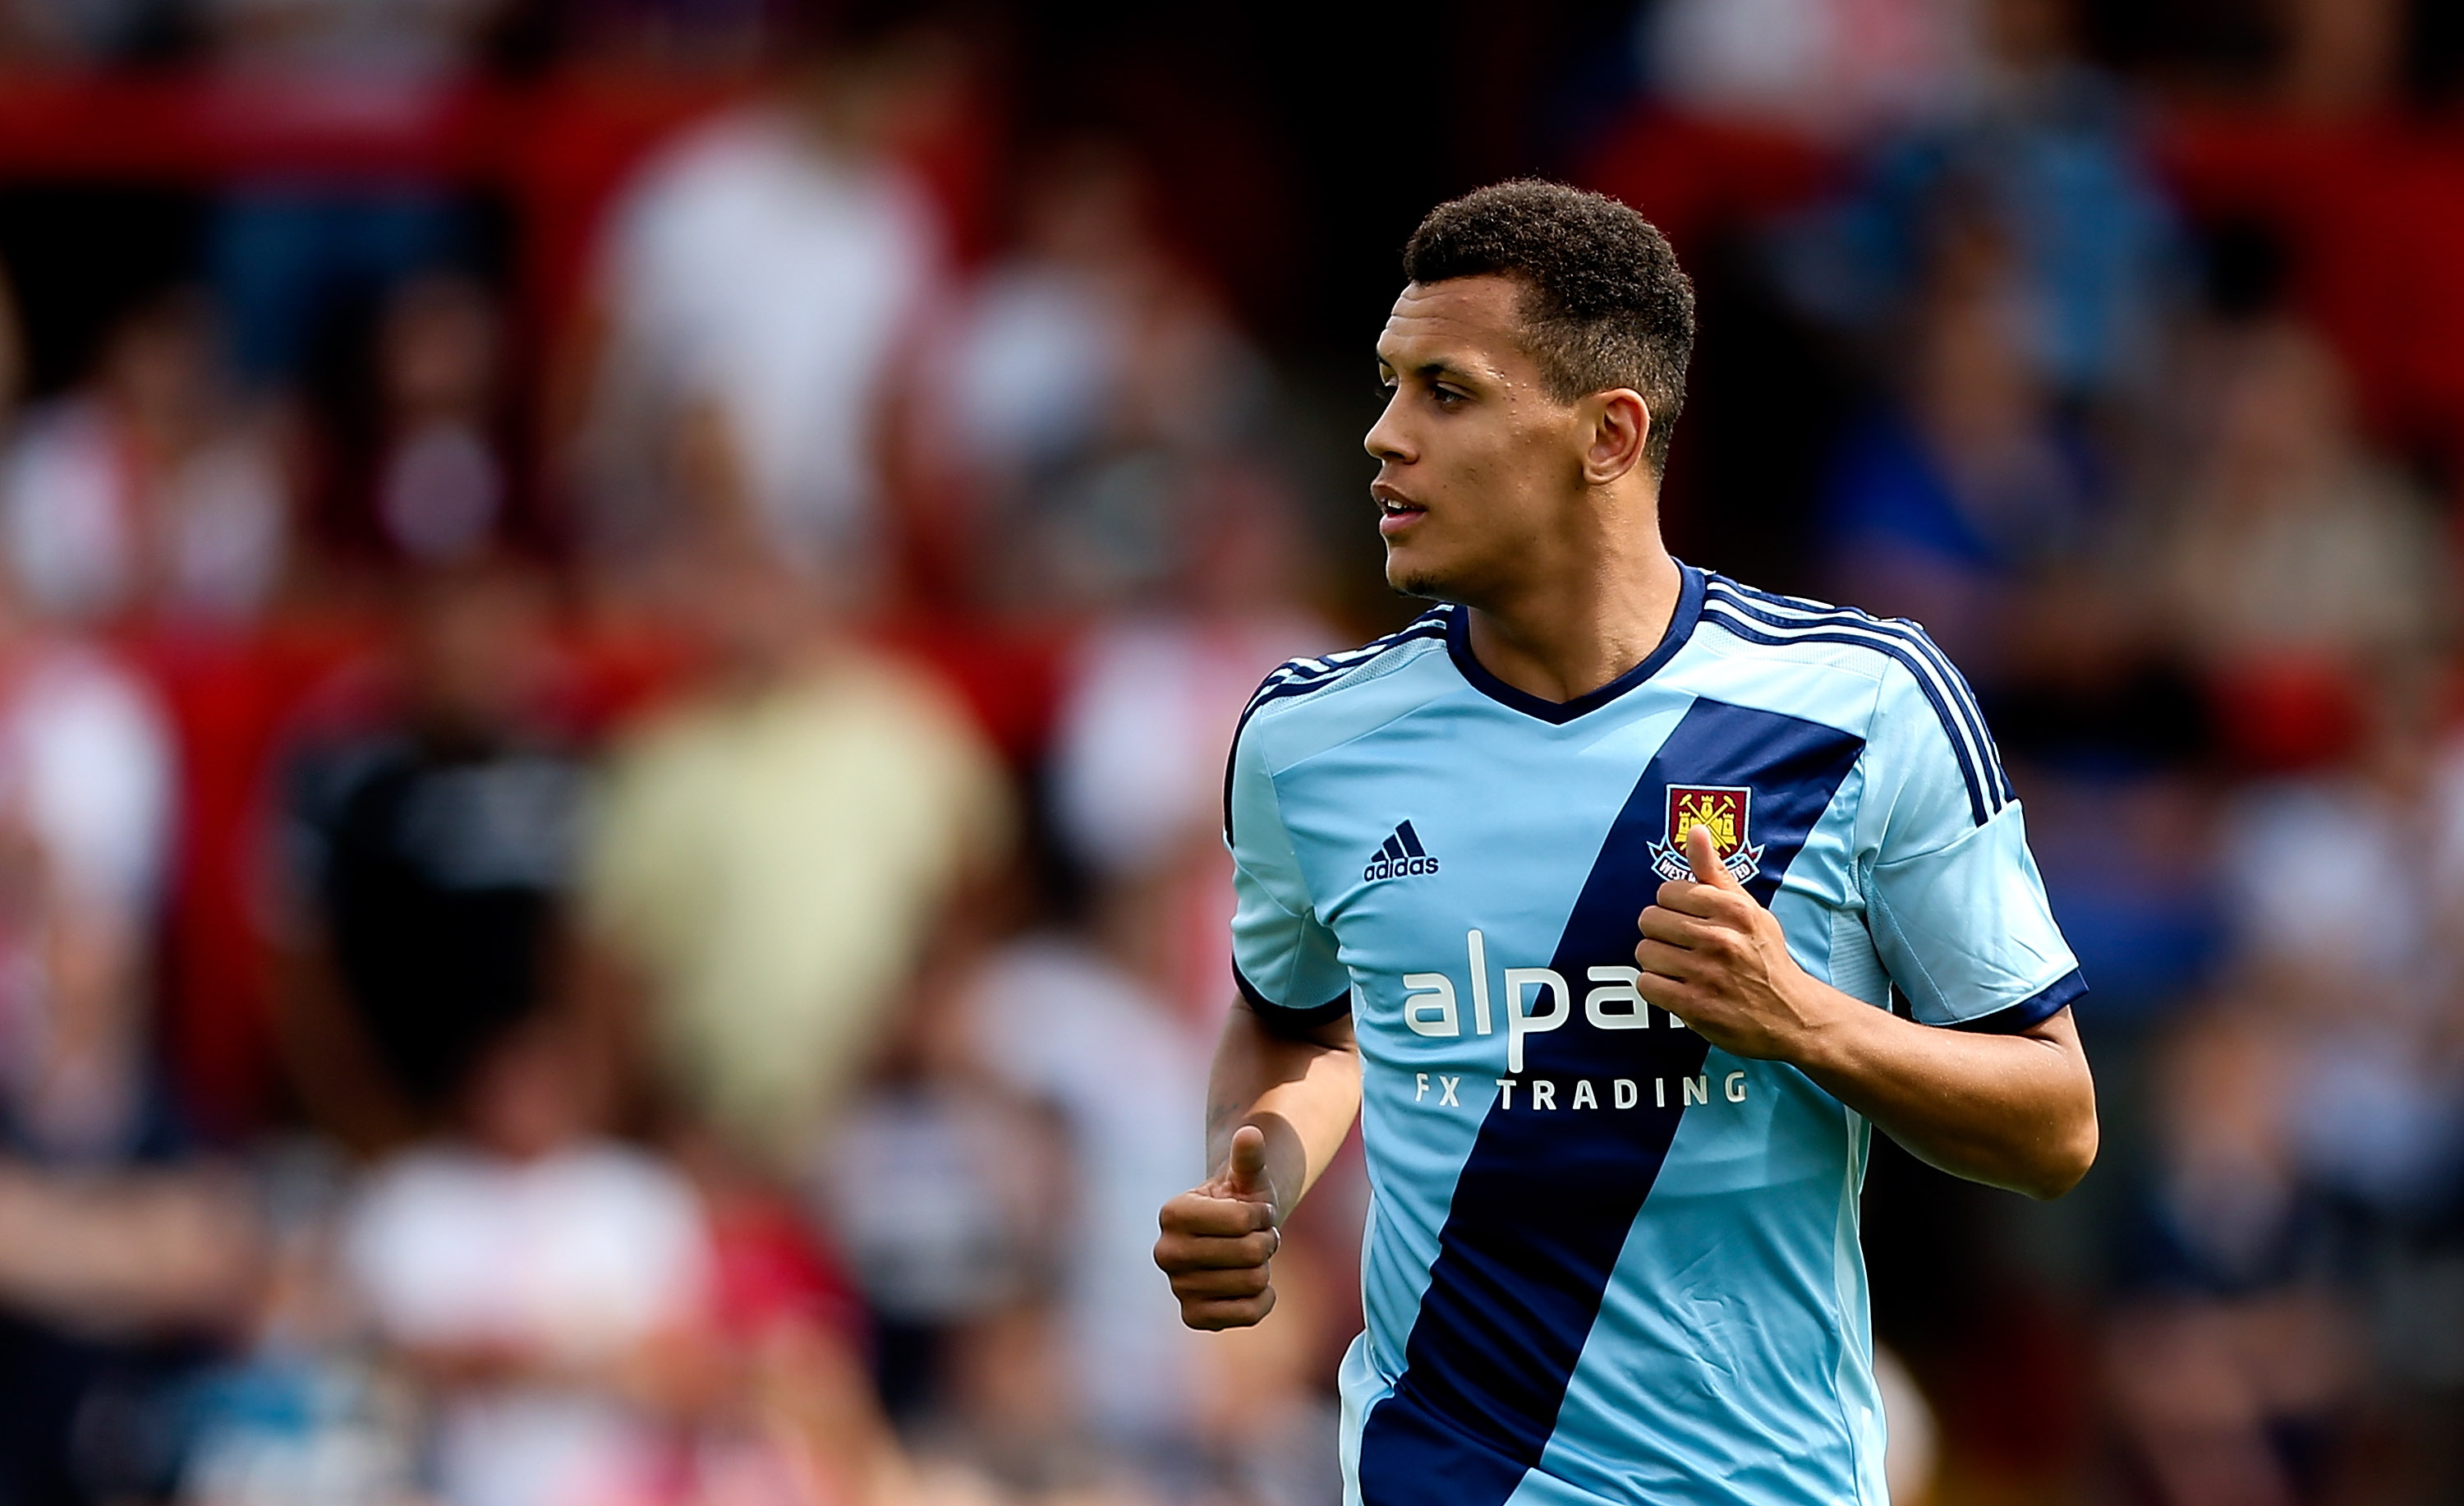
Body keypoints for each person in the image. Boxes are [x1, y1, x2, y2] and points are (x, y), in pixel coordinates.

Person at [1152, 182, 2098, 1505]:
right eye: (1384, 385)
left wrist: (1804, 1021)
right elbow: (1302, 1027)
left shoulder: (1863, 705)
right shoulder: (1310, 741)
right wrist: (1255, 1176)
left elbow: (2056, 1123)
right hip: (1445, 1473)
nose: (1381, 436)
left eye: (1447, 391)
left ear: (1609, 433)